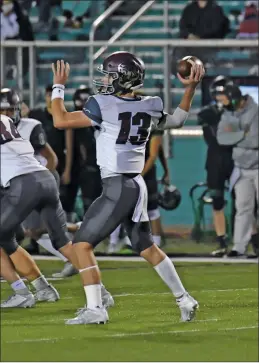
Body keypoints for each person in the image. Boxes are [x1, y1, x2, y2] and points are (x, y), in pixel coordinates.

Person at [50, 51, 205, 325]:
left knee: (81, 245)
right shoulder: (150, 104)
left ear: (122, 78)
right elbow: (178, 120)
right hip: (135, 184)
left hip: (118, 186)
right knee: (146, 247)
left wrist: (58, 85)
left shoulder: (104, 104)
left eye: (109, 74)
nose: (105, 79)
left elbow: (60, 120)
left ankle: (97, 307)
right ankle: (184, 298)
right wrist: (190, 89)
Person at [0, 113, 113, 308]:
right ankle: (100, 292)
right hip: (45, 177)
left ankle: (26, 291)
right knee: (62, 241)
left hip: (23, 183)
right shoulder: (5, 119)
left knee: (4, 238)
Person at [216, 82, 258, 257]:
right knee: (242, 207)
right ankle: (238, 247)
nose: (225, 104)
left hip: (258, 166)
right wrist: (242, 134)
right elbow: (222, 138)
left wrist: (235, 137)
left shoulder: (256, 111)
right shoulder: (228, 113)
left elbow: (256, 140)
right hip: (241, 168)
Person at [198, 76, 234, 257]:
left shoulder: (240, 112)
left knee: (247, 204)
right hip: (216, 161)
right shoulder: (208, 113)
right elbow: (213, 138)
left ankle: (250, 240)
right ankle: (222, 242)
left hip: (238, 160)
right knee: (217, 202)